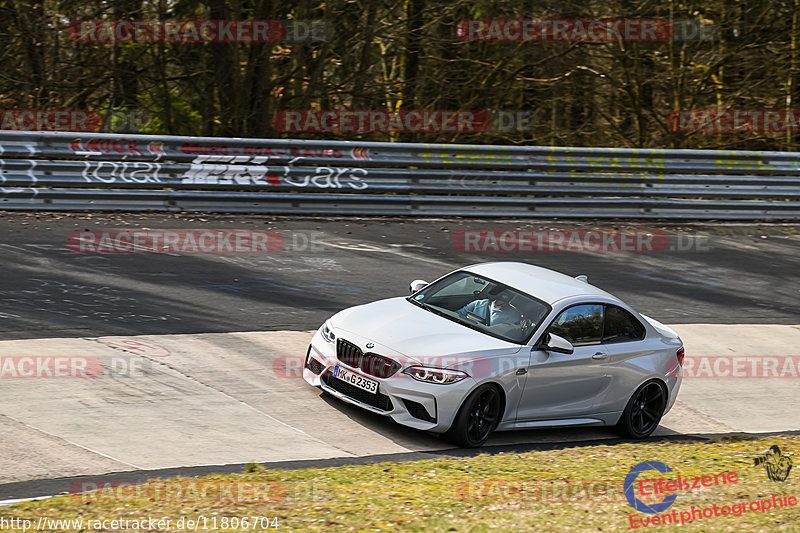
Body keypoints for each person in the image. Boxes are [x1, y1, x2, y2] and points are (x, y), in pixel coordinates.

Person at [457, 292, 521, 327]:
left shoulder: (513, 315)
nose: (502, 303)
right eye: (500, 298)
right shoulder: (478, 304)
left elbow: (512, 333)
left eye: (505, 300)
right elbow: (458, 315)